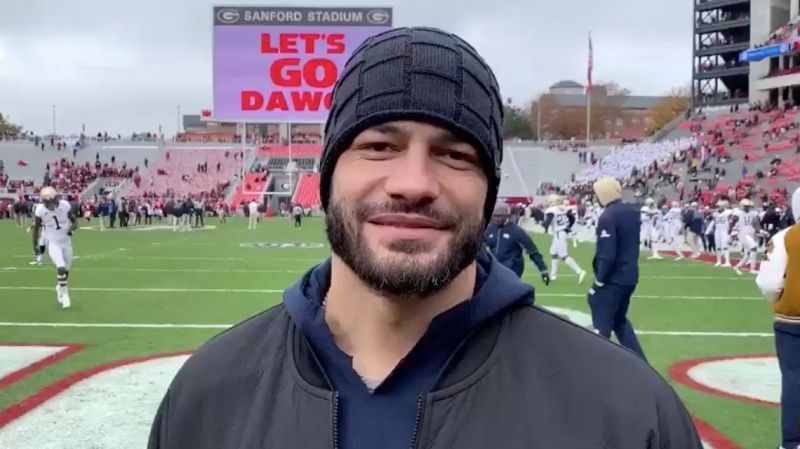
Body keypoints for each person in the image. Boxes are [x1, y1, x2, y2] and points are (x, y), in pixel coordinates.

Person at [147, 27, 701, 449]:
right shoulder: (208, 395)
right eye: (379, 146)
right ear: (327, 175)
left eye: (455, 154)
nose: (414, 184)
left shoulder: (627, 412)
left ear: (489, 191)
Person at [756, 185, 800, 449]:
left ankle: (792, 443)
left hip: (792, 321)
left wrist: (782, 302)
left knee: (794, 380)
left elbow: (769, 283)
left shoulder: (786, 236)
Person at [588, 178, 647, 361]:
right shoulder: (632, 212)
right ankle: (640, 363)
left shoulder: (608, 216)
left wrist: (599, 279)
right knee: (620, 321)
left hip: (613, 279)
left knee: (602, 324)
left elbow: (607, 252)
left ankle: (599, 367)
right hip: (630, 276)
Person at [31, 187, 77, 308]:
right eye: (48, 202)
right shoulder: (40, 210)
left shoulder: (65, 206)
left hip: (66, 242)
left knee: (66, 271)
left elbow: (75, 221)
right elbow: (36, 228)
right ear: (44, 201)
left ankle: (59, 288)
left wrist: (71, 229)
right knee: (61, 268)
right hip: (53, 242)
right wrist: (34, 244)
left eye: (53, 201)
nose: (51, 204)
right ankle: (65, 295)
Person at [484, 202, 549, 284]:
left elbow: (532, 251)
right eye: (494, 216)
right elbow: (479, 249)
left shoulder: (517, 231)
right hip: (494, 270)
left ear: (506, 216)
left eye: (499, 216)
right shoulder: (488, 230)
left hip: (513, 270)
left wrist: (543, 270)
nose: (496, 219)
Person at [543, 196, 586, 283]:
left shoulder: (551, 210)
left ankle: (579, 271)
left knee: (563, 255)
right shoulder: (564, 209)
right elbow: (572, 219)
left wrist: (544, 226)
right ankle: (553, 275)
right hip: (562, 232)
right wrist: (568, 227)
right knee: (553, 252)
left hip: (559, 233)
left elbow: (547, 222)